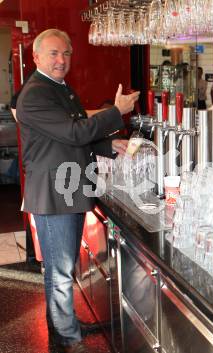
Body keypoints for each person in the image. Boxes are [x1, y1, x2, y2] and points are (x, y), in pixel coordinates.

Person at [16, 29, 140, 353]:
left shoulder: (57, 88)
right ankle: (66, 339)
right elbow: (73, 133)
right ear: (37, 57)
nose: (61, 60)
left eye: (66, 54)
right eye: (54, 54)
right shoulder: (35, 94)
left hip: (66, 188)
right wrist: (116, 112)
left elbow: (72, 137)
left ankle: (63, 326)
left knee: (63, 267)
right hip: (55, 193)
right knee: (58, 271)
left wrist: (107, 143)